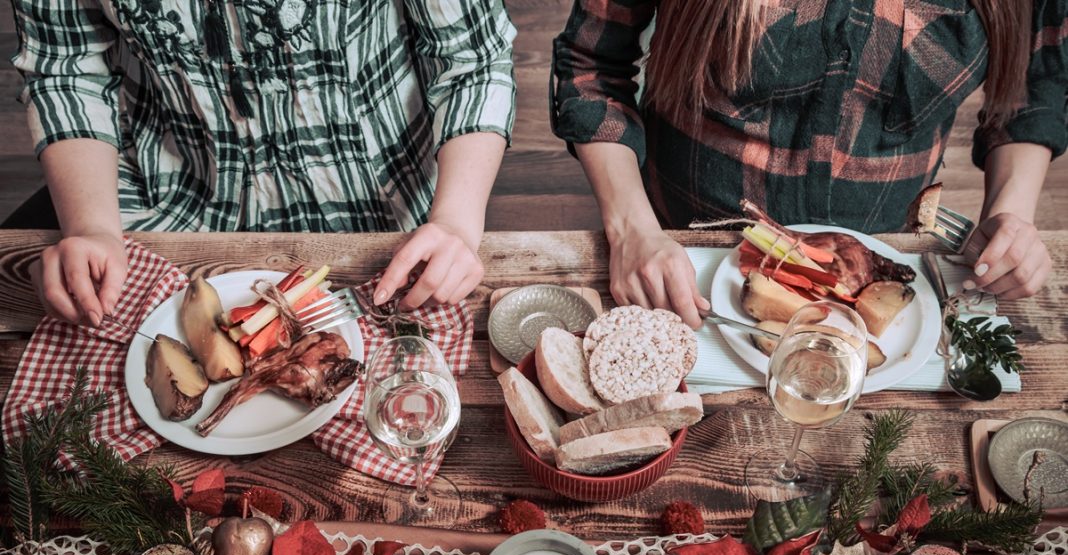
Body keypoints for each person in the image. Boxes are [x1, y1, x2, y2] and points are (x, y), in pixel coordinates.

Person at [552, 1, 1066, 328]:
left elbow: (1037, 84)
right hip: (684, 258)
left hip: (881, 274)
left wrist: (1012, 216)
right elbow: (591, 65)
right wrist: (631, 229)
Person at [11, 0, 517, 326]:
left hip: (389, 214)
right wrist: (92, 227)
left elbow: (472, 58)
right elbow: (65, 69)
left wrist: (455, 222)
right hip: (172, 203)